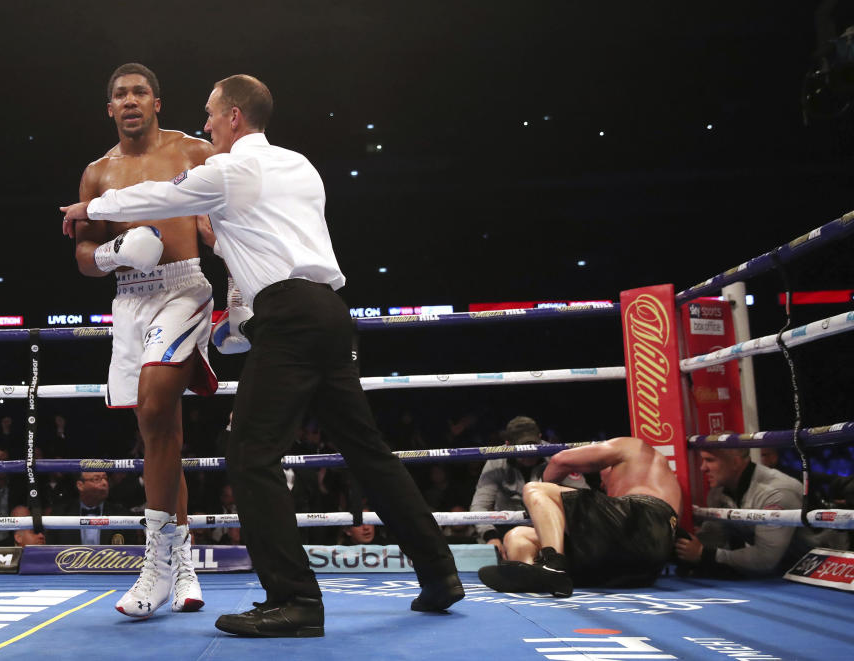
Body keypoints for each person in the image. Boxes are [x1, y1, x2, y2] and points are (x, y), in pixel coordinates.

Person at [62, 73, 463, 637]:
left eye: (210, 113)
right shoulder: (301, 165)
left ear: (232, 118)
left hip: (288, 319)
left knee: (249, 454)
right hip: (329, 312)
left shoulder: (225, 169)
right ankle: (440, 574)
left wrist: (91, 207)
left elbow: (161, 195)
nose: (204, 123)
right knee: (368, 451)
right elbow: (257, 234)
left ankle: (294, 601)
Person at [65, 63, 236, 618]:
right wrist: (115, 254)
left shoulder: (192, 152)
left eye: (140, 91)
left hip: (184, 287)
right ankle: (181, 561)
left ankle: (154, 566)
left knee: (158, 405)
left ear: (157, 102)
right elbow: (84, 257)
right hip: (130, 299)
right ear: (110, 109)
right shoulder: (97, 173)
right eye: (121, 94)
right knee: (159, 429)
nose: (131, 100)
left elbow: (241, 202)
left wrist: (236, 266)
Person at [479, 436, 681, 597]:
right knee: (518, 536)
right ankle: (537, 575)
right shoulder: (660, 483)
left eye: (603, 480)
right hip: (639, 568)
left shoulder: (634, 448)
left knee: (534, 489)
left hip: (641, 519)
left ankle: (552, 566)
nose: (602, 486)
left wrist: (542, 498)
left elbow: (560, 460)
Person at [674, 447, 843, 577]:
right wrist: (680, 543)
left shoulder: (776, 492)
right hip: (783, 572)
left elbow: (765, 559)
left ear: (735, 462)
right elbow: (714, 539)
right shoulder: (718, 493)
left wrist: (704, 553)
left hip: (826, 569)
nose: (702, 468)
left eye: (709, 460)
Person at [469, 416, 587, 558]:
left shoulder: (557, 456)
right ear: (507, 445)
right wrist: (491, 536)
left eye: (533, 446)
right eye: (522, 449)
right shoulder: (496, 461)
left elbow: (584, 497)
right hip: (506, 528)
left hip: (552, 527)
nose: (529, 454)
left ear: (540, 438)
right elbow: (479, 506)